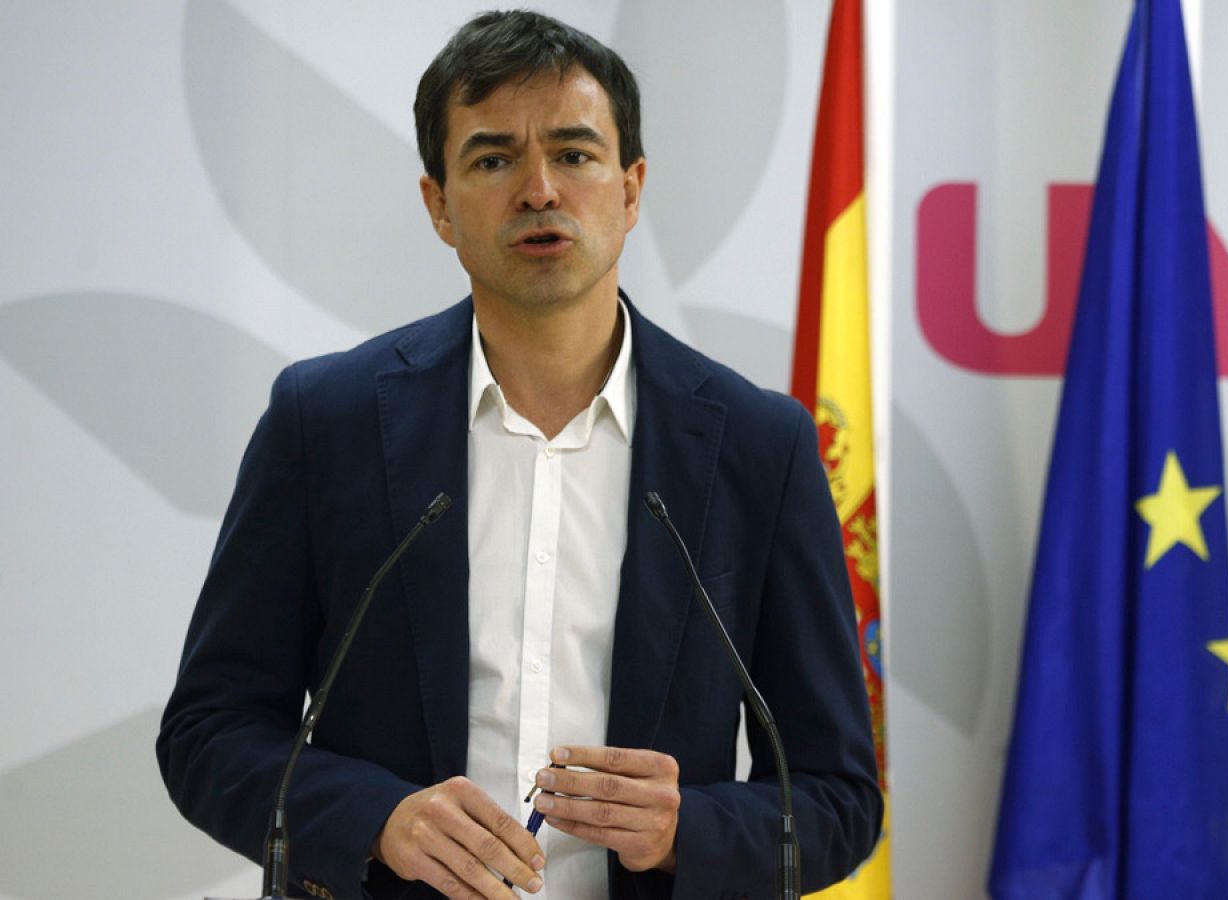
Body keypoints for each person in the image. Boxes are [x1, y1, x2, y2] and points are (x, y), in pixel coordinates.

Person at [156, 10, 881, 899]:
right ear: (438, 205)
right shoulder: (327, 421)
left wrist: (691, 830)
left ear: (632, 187)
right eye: (493, 159)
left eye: (575, 154)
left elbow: (840, 796)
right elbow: (209, 732)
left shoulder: (755, 445)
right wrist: (375, 820)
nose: (539, 189)